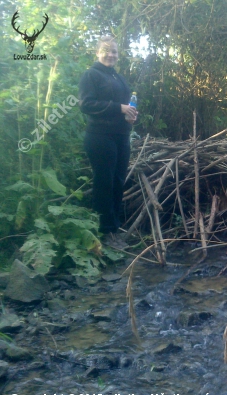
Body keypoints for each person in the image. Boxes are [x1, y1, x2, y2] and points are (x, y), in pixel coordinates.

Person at [78, 36, 137, 249]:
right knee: (105, 182)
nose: (110, 55)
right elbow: (86, 104)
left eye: (114, 51)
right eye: (106, 51)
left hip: (121, 135)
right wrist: (118, 108)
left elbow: (125, 106)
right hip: (100, 136)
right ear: (97, 52)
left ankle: (114, 228)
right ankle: (105, 232)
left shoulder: (118, 77)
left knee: (118, 181)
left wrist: (129, 115)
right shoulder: (91, 75)